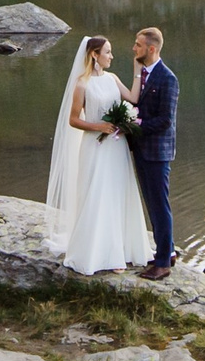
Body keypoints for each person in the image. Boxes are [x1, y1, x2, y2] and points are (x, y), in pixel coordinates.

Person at [45, 34, 154, 275]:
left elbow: (133, 99)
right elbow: (73, 119)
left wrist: (137, 70)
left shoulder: (113, 78)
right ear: (94, 55)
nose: (111, 56)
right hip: (94, 146)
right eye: (107, 52)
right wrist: (99, 127)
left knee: (117, 193)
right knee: (97, 194)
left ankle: (122, 250)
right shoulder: (82, 84)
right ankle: (98, 252)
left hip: (117, 147)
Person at [131, 27, 178, 276]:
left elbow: (165, 120)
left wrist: (135, 126)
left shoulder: (167, 78)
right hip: (142, 150)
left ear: (151, 49)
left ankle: (162, 265)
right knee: (152, 204)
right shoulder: (143, 74)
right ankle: (167, 251)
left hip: (158, 152)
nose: (134, 48)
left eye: (138, 45)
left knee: (160, 206)